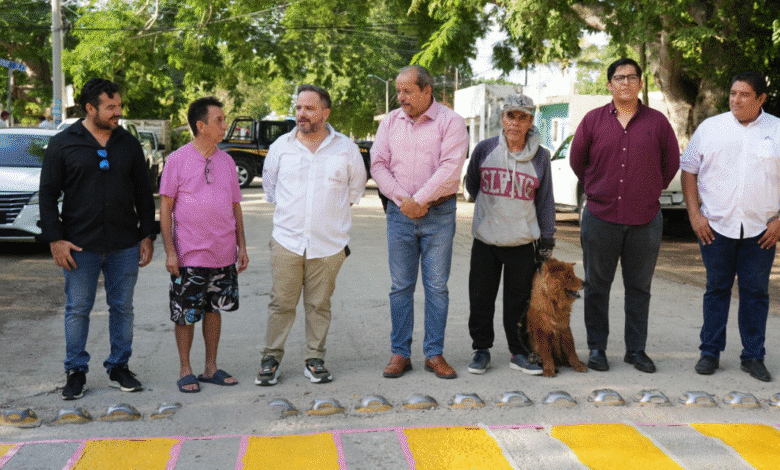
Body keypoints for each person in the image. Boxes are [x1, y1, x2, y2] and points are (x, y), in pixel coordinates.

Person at [38, 78, 156, 400]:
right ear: (90, 108)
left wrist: (147, 235)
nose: (118, 112)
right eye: (111, 107)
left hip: (124, 244)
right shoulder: (63, 144)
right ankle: (76, 371)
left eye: (119, 106)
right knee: (77, 309)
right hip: (80, 245)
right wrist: (55, 240)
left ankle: (119, 367)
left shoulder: (128, 144)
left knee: (123, 308)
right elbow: (47, 195)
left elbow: (144, 194)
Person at [569, 58, 679, 374]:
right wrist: (597, 186)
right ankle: (597, 349)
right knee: (597, 286)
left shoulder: (657, 122)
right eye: (619, 77)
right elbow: (578, 161)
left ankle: (636, 350)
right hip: (600, 217)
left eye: (632, 77)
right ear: (609, 84)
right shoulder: (593, 121)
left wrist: (648, 189)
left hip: (645, 219)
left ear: (641, 83)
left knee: (639, 288)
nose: (626, 82)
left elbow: (671, 164)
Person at [256, 84, 366, 386]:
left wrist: (325, 217)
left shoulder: (346, 149)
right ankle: (270, 359)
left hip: (329, 245)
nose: (301, 114)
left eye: (309, 108)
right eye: (299, 108)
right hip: (287, 242)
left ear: (325, 113)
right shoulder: (281, 147)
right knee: (281, 303)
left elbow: (354, 191)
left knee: (319, 305)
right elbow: (271, 189)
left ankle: (314, 359)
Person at [681, 71, 780, 382]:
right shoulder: (710, 128)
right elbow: (688, 170)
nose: (736, 100)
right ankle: (709, 352)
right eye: (733, 93)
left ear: (761, 99)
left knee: (755, 293)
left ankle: (753, 356)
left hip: (761, 230)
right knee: (716, 290)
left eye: (744, 94)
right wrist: (695, 215)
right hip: (716, 227)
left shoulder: (777, 130)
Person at [371, 65, 468, 380]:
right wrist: (404, 201)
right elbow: (378, 164)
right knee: (400, 286)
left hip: (439, 215)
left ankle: (434, 354)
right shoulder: (390, 122)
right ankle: (400, 353)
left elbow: (450, 167)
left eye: (407, 91)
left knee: (436, 287)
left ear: (427, 90)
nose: (401, 97)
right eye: (399, 91)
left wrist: (420, 200)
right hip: (399, 215)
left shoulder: (451, 122)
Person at [159, 97, 248, 393]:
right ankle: (186, 369)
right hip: (189, 254)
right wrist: (170, 251)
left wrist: (242, 247)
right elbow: (166, 209)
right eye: (219, 120)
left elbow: (235, 206)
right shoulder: (177, 160)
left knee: (214, 310)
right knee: (184, 314)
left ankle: (211, 368)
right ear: (201, 126)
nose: (224, 125)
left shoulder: (227, 161)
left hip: (223, 253)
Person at [464, 94, 555, 375]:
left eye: (522, 117)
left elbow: (545, 200)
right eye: (510, 116)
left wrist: (547, 238)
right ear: (502, 119)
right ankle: (481, 350)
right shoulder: (484, 149)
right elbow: (472, 185)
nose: (515, 122)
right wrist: (491, 213)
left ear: (530, 121)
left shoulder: (541, 156)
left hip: (522, 241)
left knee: (519, 301)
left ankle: (519, 352)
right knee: (480, 298)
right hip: (486, 239)